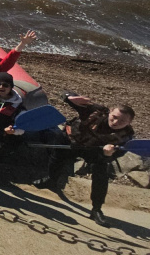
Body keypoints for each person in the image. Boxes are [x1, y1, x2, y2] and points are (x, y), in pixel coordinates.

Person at [33, 94, 135, 227]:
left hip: (95, 152)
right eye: (114, 117)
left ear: (129, 123)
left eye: (122, 122)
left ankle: (96, 209)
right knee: (57, 157)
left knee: (101, 172)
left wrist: (106, 154)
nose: (115, 123)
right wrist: (68, 97)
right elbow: (66, 95)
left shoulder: (126, 136)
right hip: (73, 141)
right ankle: (52, 180)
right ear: (110, 111)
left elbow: (116, 155)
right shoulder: (96, 111)